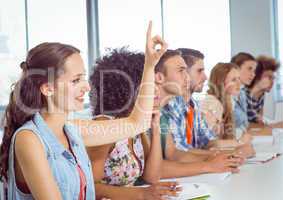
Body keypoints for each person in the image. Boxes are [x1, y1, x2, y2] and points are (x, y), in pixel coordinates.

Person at [0, 21, 167, 200]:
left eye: (84, 78)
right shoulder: (29, 139)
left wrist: (149, 65)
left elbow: (138, 123)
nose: (87, 87)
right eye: (76, 80)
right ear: (48, 89)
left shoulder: (73, 131)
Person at [88, 48, 180, 200]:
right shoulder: (104, 124)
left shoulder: (135, 125)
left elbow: (152, 176)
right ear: (128, 89)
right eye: (149, 84)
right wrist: (141, 194)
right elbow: (91, 187)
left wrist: (155, 127)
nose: (155, 90)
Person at [161, 48, 254, 161]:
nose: (205, 77)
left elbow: (208, 141)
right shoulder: (171, 105)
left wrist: (236, 147)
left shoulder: (192, 105)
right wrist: (233, 153)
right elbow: (179, 152)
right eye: (199, 71)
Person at [246, 55, 283, 131]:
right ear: (256, 76)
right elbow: (242, 127)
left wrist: (273, 124)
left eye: (273, 78)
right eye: (269, 77)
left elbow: (259, 122)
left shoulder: (261, 95)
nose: (272, 82)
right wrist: (275, 125)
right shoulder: (243, 96)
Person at [231, 52, 257, 132]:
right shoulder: (226, 94)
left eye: (254, 70)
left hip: (242, 139)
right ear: (236, 69)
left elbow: (245, 125)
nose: (253, 74)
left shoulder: (242, 93)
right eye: (249, 69)